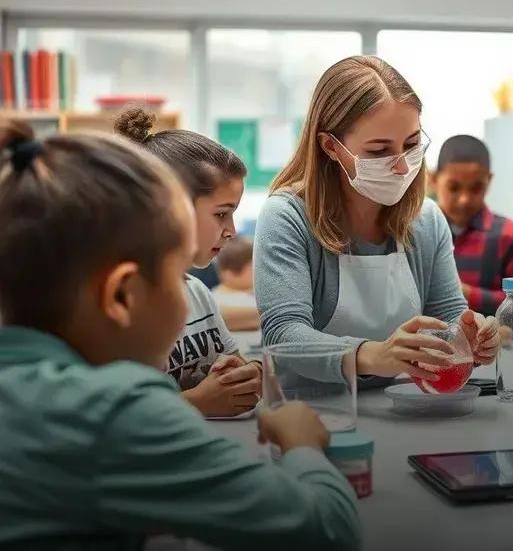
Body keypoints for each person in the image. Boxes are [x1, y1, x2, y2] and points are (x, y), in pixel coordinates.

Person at [0, 130, 359, 550]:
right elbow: (326, 533)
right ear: (122, 295)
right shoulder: (111, 411)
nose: (186, 289)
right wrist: (302, 446)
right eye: (175, 277)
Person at [256, 56, 499, 386]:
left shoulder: (426, 221)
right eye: (379, 151)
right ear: (331, 146)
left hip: (407, 409)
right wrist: (374, 356)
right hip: (315, 417)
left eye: (411, 144)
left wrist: (470, 336)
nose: (401, 166)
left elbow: (448, 319)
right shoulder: (287, 217)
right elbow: (284, 335)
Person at [115, 107, 261, 418]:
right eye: (221, 213)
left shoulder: (196, 292)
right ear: (170, 207)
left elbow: (235, 368)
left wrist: (249, 375)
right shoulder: (119, 307)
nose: (232, 230)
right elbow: (114, 419)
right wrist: (196, 403)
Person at [431, 134, 513, 317]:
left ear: (489, 181)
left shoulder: (509, 236)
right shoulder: (418, 232)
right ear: (434, 179)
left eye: (476, 188)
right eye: (454, 187)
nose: (464, 199)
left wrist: (467, 295)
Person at [213, 236, 260, 332]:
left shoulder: (251, 292)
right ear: (230, 273)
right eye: (252, 268)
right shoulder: (219, 302)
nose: (257, 272)